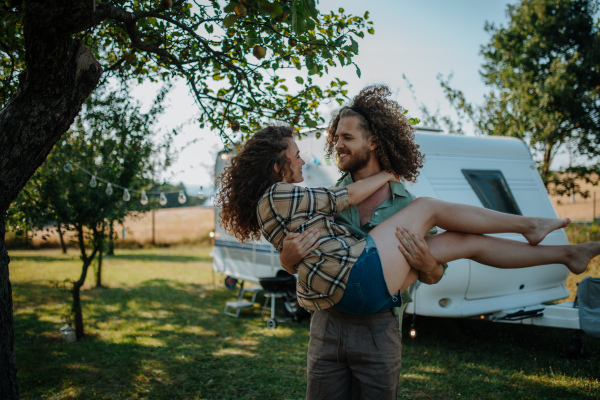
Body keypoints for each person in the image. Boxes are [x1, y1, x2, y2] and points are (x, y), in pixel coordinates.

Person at [216, 88, 596, 399]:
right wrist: (286, 258)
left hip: (378, 323)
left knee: (462, 241)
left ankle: (566, 253)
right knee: (436, 211)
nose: (338, 146)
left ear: (373, 142)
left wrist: (428, 264)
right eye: (337, 139)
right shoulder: (326, 196)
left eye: (347, 138)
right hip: (331, 321)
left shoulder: (404, 204)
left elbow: (433, 274)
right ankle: (529, 225)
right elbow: (304, 254)